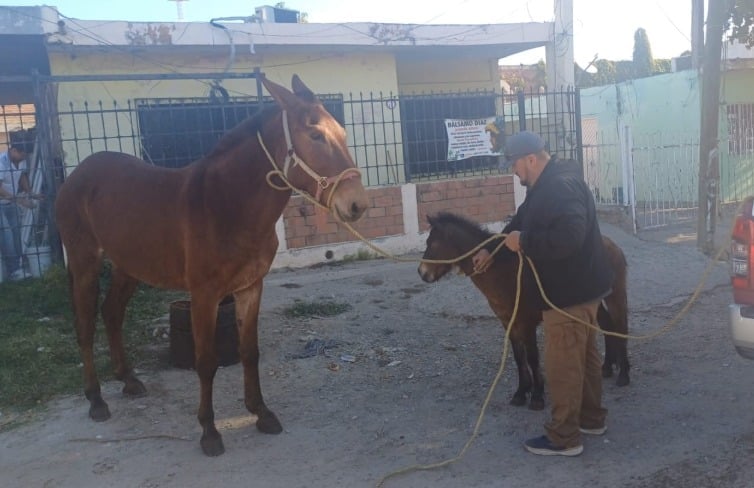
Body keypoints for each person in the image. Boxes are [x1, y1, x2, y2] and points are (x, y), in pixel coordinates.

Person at [472, 131, 613, 457]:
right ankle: (592, 420)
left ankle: (564, 437)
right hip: (583, 290)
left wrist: (525, 242)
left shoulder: (559, 188)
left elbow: (570, 237)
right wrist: (493, 250)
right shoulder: (544, 186)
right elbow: (521, 222)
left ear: (531, 159)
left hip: (568, 296)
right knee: (586, 358)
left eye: (514, 163)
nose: (513, 171)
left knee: (563, 364)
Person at [0, 129, 37, 281]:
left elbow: (22, 176)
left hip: (11, 202)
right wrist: (20, 200)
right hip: (2, 204)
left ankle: (17, 268)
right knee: (6, 237)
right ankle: (13, 270)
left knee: (16, 234)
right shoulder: (1, 162)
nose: (23, 158)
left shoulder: (19, 162)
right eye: (21, 155)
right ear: (13, 150)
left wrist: (30, 193)